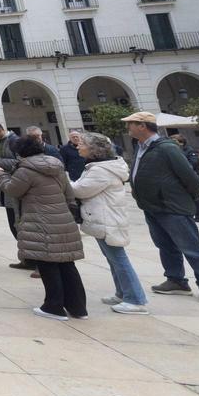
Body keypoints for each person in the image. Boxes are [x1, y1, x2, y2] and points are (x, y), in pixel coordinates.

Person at [0, 134, 86, 320]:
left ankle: (54, 307)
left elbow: (12, 189)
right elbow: (69, 193)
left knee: (47, 264)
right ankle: (78, 308)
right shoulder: (57, 166)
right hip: (62, 219)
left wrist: (0, 174)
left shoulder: (26, 170)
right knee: (67, 264)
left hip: (40, 220)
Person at [124, 111, 199, 299]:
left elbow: (190, 178)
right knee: (165, 245)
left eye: (131, 124)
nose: (127, 128)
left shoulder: (167, 148)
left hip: (172, 207)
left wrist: (187, 199)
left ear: (142, 126)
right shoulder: (141, 146)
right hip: (152, 206)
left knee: (191, 247)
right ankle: (176, 280)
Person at [70, 131, 149, 314]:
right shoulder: (99, 166)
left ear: (93, 149)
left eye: (81, 144)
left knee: (119, 259)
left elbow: (81, 190)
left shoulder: (101, 170)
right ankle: (122, 293)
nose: (78, 146)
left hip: (107, 218)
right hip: (103, 217)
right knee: (113, 258)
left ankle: (136, 299)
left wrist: (64, 181)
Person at [0, 118, 33, 272]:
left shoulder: (14, 141)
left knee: (20, 225)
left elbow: (19, 162)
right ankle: (26, 258)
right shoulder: (0, 142)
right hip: (7, 188)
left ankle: (34, 260)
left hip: (16, 188)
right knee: (14, 225)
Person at [171, 134, 199, 222]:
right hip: (181, 179)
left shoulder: (189, 151)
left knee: (196, 197)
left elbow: (193, 163)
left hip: (192, 179)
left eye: (175, 141)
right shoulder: (174, 151)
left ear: (181, 142)